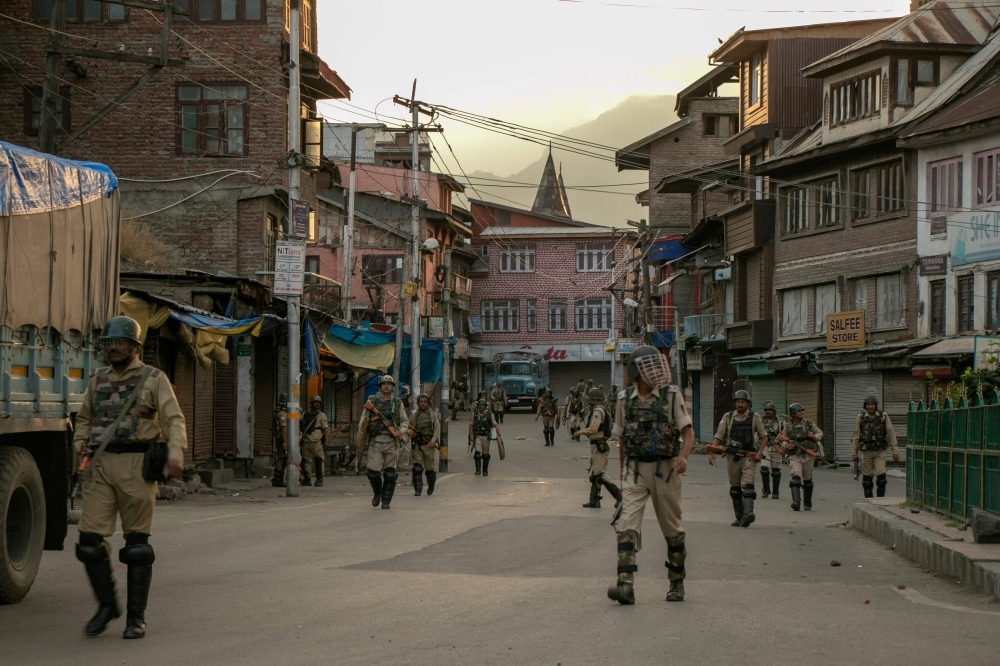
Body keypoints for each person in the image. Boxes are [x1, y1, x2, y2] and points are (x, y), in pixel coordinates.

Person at [73, 316, 187, 639]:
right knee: (88, 543)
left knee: (137, 546)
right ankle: (107, 605)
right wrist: (80, 446)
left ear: (135, 346)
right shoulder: (97, 379)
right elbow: (84, 419)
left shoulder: (153, 379)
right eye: (109, 343)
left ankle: (136, 617)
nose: (113, 348)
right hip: (100, 464)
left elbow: (174, 419)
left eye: (119, 342)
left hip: (137, 464)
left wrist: (176, 456)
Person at [608, 346, 694, 605]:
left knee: (672, 530)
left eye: (658, 366)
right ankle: (625, 585)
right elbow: (622, 439)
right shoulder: (624, 399)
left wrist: (684, 457)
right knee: (626, 529)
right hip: (634, 471)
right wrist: (623, 478)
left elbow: (687, 432)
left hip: (664, 470)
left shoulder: (670, 395)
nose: (657, 371)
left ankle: (676, 582)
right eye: (650, 367)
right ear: (636, 371)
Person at [709, 390, 767, 527]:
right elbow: (719, 435)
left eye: (743, 402)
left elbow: (764, 437)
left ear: (748, 404)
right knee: (735, 489)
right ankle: (739, 517)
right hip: (732, 457)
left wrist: (759, 453)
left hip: (748, 457)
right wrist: (712, 452)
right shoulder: (728, 417)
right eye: (738, 402)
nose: (740, 404)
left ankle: (748, 514)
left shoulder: (754, 417)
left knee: (748, 487)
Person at [358, 375, 409, 509]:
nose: (386, 386)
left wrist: (401, 432)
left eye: (389, 384)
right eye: (384, 384)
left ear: (392, 387)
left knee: (390, 473)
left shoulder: (397, 403)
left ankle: (386, 501)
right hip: (376, 441)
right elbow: (363, 420)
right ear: (380, 386)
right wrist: (364, 431)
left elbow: (404, 421)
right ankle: (377, 493)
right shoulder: (372, 401)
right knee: (373, 471)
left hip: (392, 441)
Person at [578, 386, 621, 509]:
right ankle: (595, 500)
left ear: (593, 399)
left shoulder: (598, 411)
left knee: (599, 474)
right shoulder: (602, 409)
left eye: (590, 399)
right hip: (598, 444)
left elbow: (593, 429)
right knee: (595, 474)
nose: (588, 401)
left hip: (599, 444)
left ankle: (618, 495)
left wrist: (579, 432)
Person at [851, 389, 898, 498]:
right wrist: (854, 452)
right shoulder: (860, 418)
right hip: (866, 451)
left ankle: (880, 500)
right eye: (868, 405)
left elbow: (890, 433)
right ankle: (869, 501)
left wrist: (894, 450)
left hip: (880, 451)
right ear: (865, 406)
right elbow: (856, 436)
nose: (870, 407)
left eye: (872, 404)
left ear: (875, 405)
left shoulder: (883, 417)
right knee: (867, 480)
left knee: (881, 477)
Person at [778, 403, 823, 511]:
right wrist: (787, 445)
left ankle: (807, 503)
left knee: (807, 480)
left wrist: (814, 436)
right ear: (793, 414)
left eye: (802, 411)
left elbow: (820, 433)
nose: (801, 413)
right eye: (799, 411)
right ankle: (796, 502)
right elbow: (782, 440)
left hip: (808, 454)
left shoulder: (809, 424)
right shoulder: (788, 426)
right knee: (795, 478)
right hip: (795, 454)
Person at [409, 393, 440, 496]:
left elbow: (437, 429)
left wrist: (433, 441)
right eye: (421, 402)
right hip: (417, 444)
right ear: (418, 403)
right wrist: (410, 433)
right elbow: (407, 427)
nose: (423, 404)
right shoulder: (414, 416)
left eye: (425, 402)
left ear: (428, 403)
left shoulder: (433, 415)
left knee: (429, 469)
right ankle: (418, 490)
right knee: (417, 468)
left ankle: (431, 485)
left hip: (429, 445)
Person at [300, 396, 329, 487]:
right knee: (305, 461)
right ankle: (307, 479)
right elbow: (300, 425)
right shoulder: (304, 414)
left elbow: (325, 429)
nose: (317, 404)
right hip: (306, 440)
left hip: (317, 441)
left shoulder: (321, 415)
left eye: (319, 403)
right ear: (311, 403)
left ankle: (319, 479)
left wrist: (326, 441)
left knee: (318, 460)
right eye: (315, 402)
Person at [758, 400, 783, 500]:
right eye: (766, 410)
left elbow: (784, 434)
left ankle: (775, 492)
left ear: (774, 411)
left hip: (777, 447)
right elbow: (757, 433)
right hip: (765, 447)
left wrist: (779, 442)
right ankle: (766, 490)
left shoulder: (780, 421)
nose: (768, 411)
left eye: (770, 410)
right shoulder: (761, 421)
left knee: (776, 471)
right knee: (764, 469)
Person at [469, 398, 499, 476]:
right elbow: (471, 425)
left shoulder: (490, 415)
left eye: (482, 405)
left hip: (486, 437)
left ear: (485, 406)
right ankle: (478, 470)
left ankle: (485, 471)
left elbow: (495, 425)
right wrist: (470, 435)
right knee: (477, 454)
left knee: (486, 455)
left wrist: (499, 435)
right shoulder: (474, 415)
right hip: (478, 436)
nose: (481, 407)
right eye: (479, 405)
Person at [270, 393, 288, 487]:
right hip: (282, 439)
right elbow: (283, 428)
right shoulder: (282, 414)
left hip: (282, 439)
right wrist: (285, 441)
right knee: (282, 459)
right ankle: (278, 479)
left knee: (283, 459)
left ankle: (279, 478)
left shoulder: (281, 413)